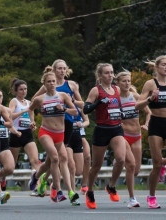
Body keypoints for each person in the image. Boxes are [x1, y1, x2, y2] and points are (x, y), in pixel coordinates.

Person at [136, 54, 166, 209]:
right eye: (163, 65)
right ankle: (151, 196)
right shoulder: (150, 84)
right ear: (156, 67)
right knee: (155, 165)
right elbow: (137, 105)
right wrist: (151, 99)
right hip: (156, 126)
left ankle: (164, 163)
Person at [82, 63, 131, 210]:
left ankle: (111, 186)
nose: (110, 75)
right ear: (100, 76)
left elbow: (118, 105)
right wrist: (98, 103)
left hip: (116, 129)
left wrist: (121, 113)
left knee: (121, 159)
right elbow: (86, 108)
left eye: (112, 72)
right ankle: (89, 192)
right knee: (96, 165)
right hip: (101, 130)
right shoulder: (96, 90)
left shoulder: (116, 89)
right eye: (107, 73)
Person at [26, 69, 78, 204]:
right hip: (45, 132)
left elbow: (74, 112)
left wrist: (64, 109)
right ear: (44, 84)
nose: (52, 84)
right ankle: (60, 191)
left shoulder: (63, 96)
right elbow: (30, 109)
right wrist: (32, 121)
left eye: (53, 81)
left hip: (60, 133)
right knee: (56, 158)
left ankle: (37, 177)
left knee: (55, 161)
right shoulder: (40, 99)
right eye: (49, 82)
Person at [111, 70, 149, 208]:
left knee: (136, 170)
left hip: (137, 136)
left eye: (128, 81)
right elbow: (110, 115)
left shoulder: (135, 96)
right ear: (118, 83)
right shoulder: (115, 99)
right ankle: (132, 199)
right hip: (123, 135)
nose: (127, 83)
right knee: (131, 165)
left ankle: (118, 160)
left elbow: (148, 112)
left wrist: (146, 123)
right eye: (124, 81)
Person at [8, 79, 41, 192]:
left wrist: (32, 124)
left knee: (35, 160)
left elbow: (31, 116)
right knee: (11, 166)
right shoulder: (14, 101)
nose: (23, 91)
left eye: (25, 89)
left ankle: (37, 186)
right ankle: (2, 178)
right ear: (16, 91)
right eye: (21, 89)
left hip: (27, 134)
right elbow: (10, 116)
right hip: (16, 134)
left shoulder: (28, 103)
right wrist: (22, 112)